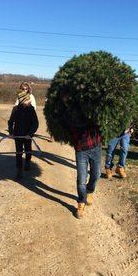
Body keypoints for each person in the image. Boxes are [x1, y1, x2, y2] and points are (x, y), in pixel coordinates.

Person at [60, 89, 102, 219]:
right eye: (65, 99)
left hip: (96, 146)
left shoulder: (87, 107)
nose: (67, 101)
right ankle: (81, 202)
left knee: (96, 175)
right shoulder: (67, 115)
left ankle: (90, 191)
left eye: (69, 98)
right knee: (81, 180)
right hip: (81, 150)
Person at [8, 89, 39, 179]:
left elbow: (35, 123)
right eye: (27, 100)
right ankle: (19, 170)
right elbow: (10, 121)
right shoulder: (16, 110)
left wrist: (30, 133)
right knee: (18, 152)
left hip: (28, 135)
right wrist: (11, 132)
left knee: (28, 150)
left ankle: (27, 163)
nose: (29, 101)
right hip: (18, 134)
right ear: (22, 101)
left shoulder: (31, 110)